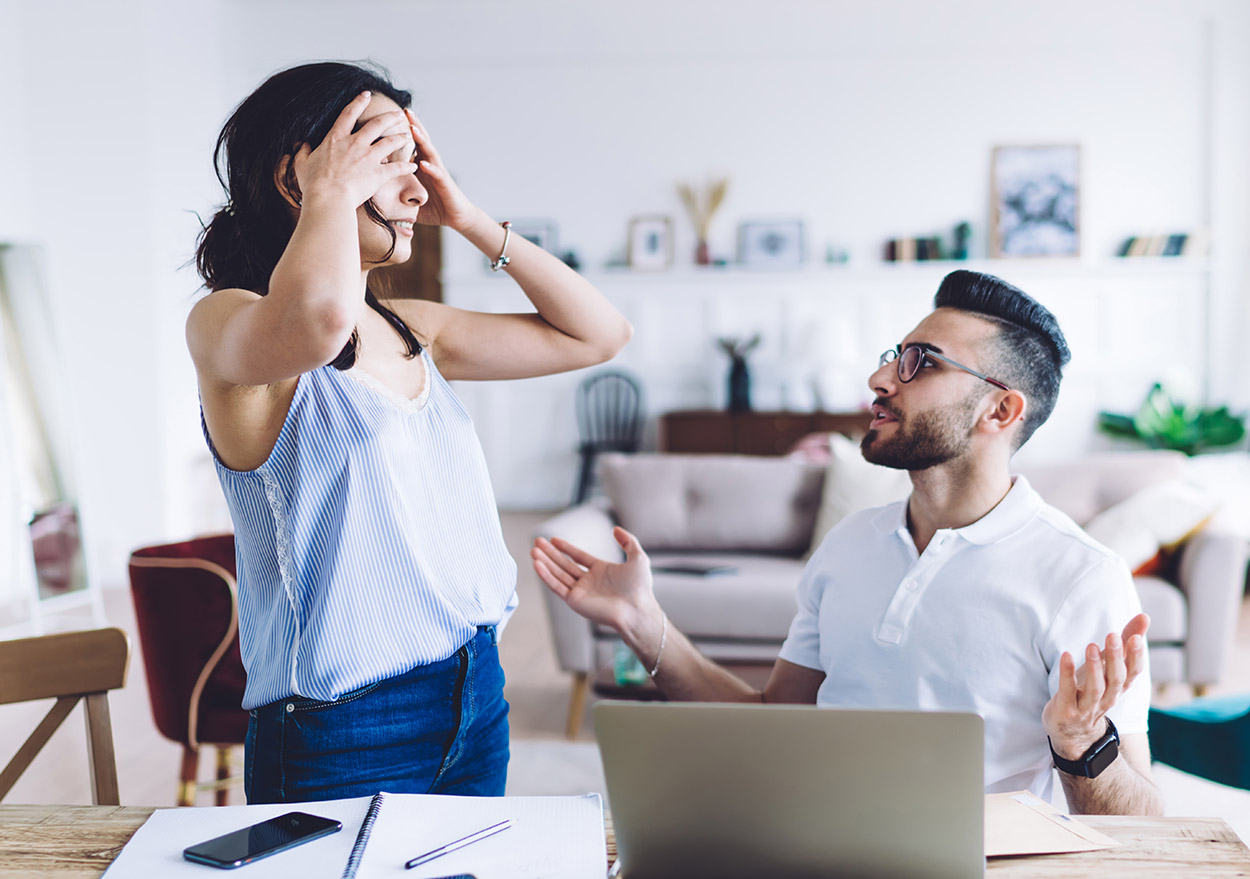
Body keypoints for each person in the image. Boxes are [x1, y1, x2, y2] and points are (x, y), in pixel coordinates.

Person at [534, 270, 1163, 815]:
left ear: (999, 411)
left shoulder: (1081, 577)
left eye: (922, 362)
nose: (880, 378)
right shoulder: (850, 545)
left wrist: (1080, 744)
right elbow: (773, 725)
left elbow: (1142, 821)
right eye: (895, 355)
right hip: (816, 845)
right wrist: (641, 621)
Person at [188, 62, 632, 804]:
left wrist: (470, 219)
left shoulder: (408, 328)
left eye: (417, 162)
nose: (418, 190)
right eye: (389, 159)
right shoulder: (225, 321)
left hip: (474, 691)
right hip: (342, 727)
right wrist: (329, 194)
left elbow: (600, 334)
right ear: (297, 176)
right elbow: (318, 324)